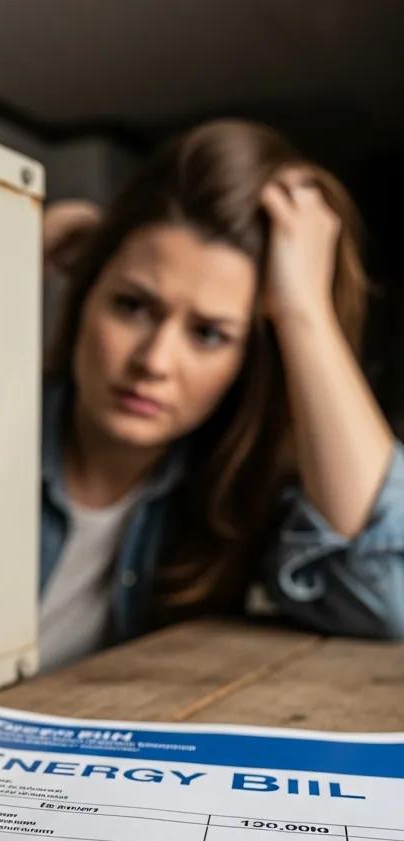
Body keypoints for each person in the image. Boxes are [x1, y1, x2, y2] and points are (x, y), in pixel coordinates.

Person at [38, 118, 404, 672]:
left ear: (250, 361)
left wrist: (304, 310)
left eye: (209, 334)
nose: (154, 362)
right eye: (132, 306)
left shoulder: (234, 501)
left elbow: (385, 599)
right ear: (87, 293)